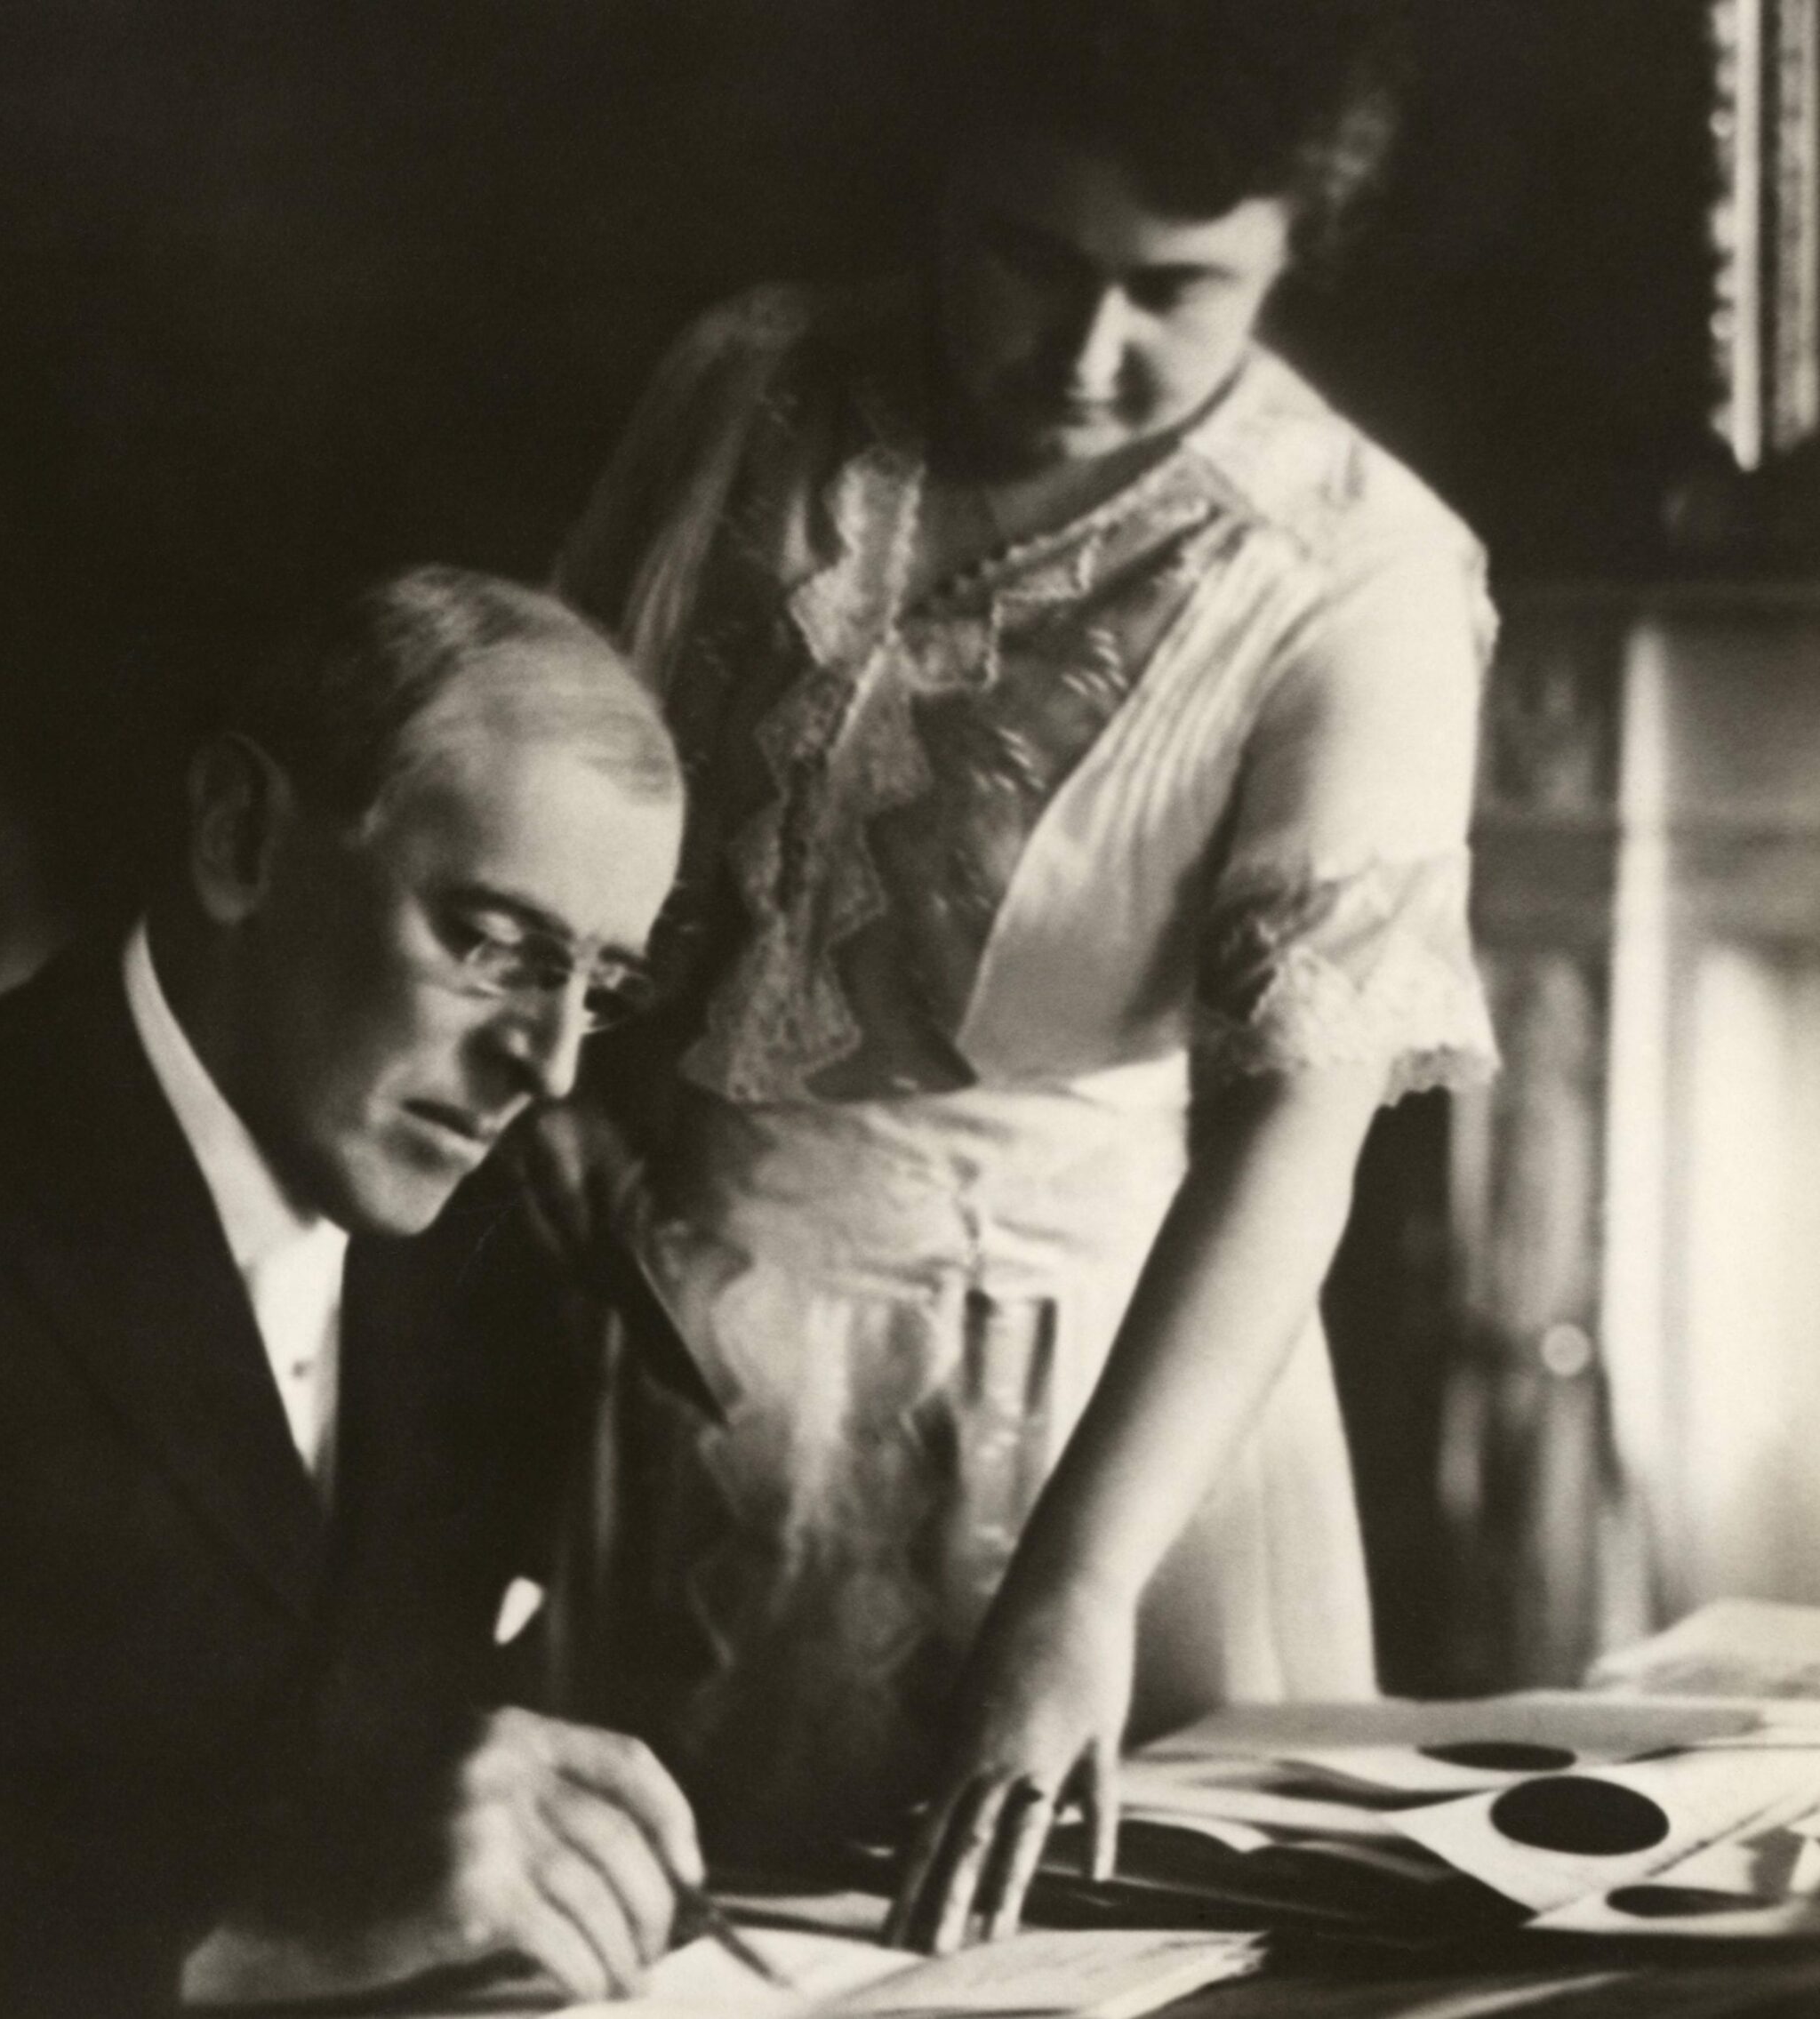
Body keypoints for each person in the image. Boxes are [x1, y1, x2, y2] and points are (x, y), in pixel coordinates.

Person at [533, 0, 1498, 1950]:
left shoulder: (1356, 575)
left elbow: (1289, 1141)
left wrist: (1073, 1594)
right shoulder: (752, 383)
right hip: (640, 1329)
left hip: (1074, 1409)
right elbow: (539, 777)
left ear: (1292, 248)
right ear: (944, 186)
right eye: (1028, 258)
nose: (1083, 351)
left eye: (1178, 289)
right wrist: (546, 1103)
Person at [0, 567, 700, 2016]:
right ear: (239, 837)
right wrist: (262, 1921)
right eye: (494, 949)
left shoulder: (493, 1257)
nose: (552, 1064)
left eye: (600, 986)